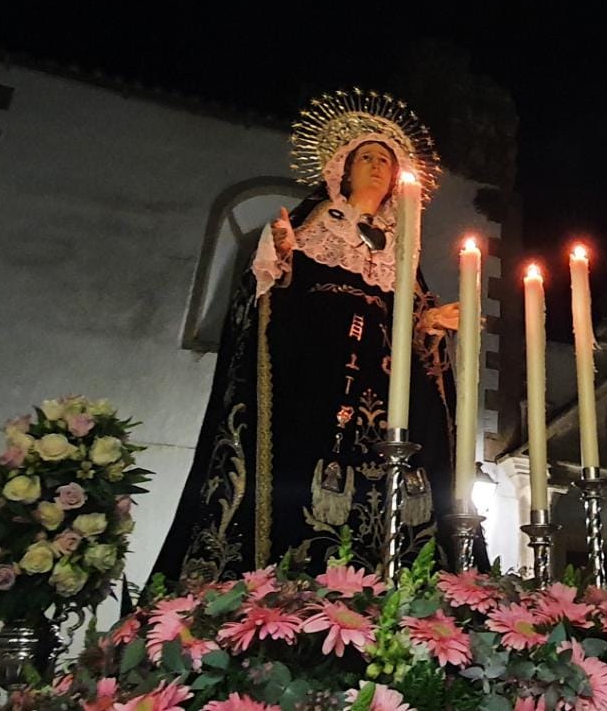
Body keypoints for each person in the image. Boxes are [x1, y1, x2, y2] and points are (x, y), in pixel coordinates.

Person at [152, 90, 461, 586]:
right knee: (300, 488)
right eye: (368, 158)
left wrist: (430, 326)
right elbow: (270, 306)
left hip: (382, 400)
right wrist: (280, 262)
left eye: (387, 160)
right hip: (311, 385)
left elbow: (409, 331)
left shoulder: (402, 254)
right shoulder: (312, 226)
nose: (378, 167)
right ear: (343, 168)